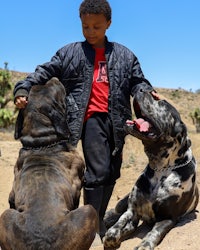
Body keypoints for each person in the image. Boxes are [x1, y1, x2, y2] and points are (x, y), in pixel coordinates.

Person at [14, 0, 159, 241]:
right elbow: (43, 72)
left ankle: (97, 216)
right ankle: (91, 226)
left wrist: (147, 92)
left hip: (117, 120)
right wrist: (23, 88)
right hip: (89, 117)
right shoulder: (70, 53)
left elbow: (137, 81)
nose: (90, 32)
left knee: (112, 172)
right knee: (97, 171)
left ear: (108, 24)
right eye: (85, 27)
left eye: (96, 27)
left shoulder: (124, 55)